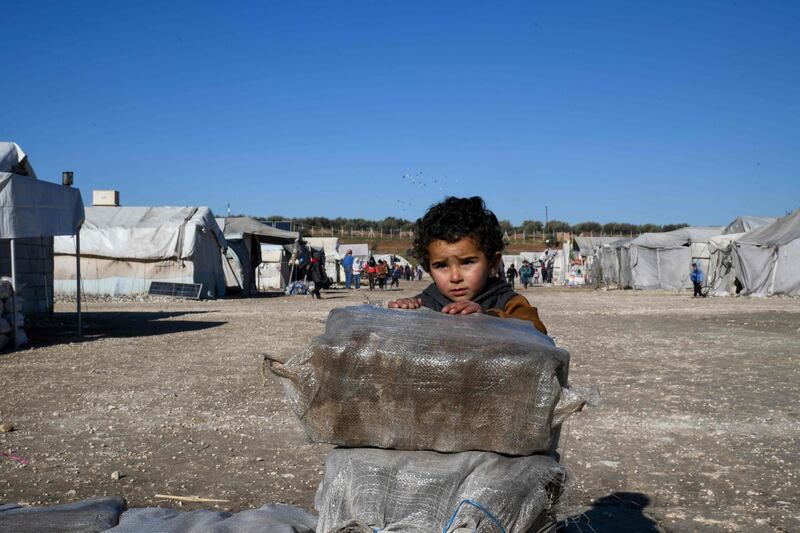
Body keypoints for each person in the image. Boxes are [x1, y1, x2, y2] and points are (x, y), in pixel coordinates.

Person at [388, 196, 547, 334]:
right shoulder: (425, 303)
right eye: (442, 266)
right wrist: (405, 313)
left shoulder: (508, 302)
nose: (455, 277)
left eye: (467, 262)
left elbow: (536, 330)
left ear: (493, 262)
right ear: (428, 269)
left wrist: (486, 317)